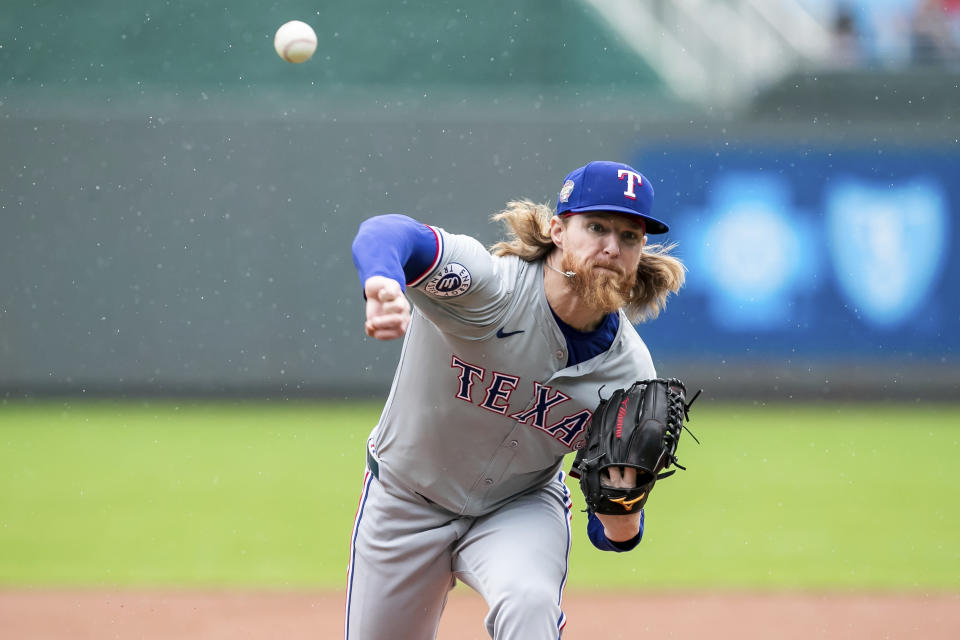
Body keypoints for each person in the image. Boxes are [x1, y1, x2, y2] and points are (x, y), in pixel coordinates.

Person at [346, 160, 686, 639]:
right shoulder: (488, 287)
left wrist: (624, 518)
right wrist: (381, 279)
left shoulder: (629, 372)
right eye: (596, 227)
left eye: (630, 236)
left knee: (529, 603)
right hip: (406, 498)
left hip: (518, 506)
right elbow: (388, 232)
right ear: (558, 230)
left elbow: (609, 527)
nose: (612, 246)